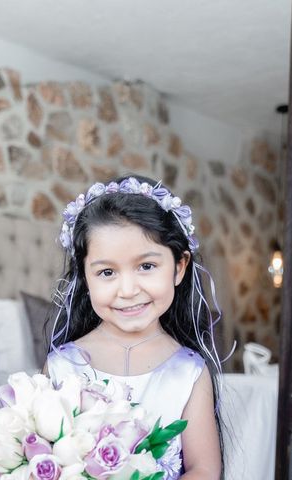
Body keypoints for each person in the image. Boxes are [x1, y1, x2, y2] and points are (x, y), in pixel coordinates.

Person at [45, 175, 228, 480]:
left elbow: (204, 469)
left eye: (146, 266)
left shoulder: (189, 373)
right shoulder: (62, 366)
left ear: (179, 267)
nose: (127, 290)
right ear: (85, 277)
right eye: (106, 272)